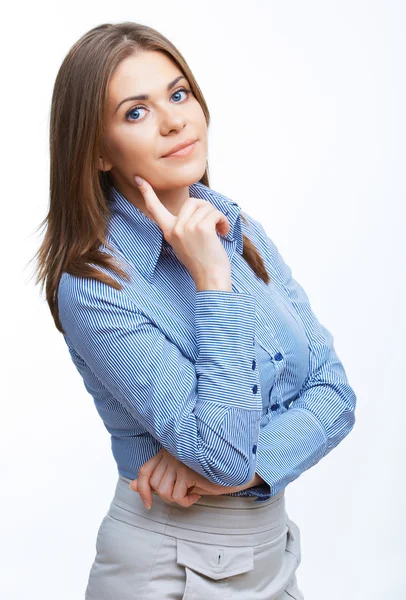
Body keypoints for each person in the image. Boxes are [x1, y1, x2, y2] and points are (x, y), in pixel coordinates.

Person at [33, 21, 357, 599]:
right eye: (136, 111)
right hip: (170, 572)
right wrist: (211, 281)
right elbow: (223, 456)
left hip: (271, 555)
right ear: (98, 150)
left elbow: (336, 399)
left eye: (178, 94)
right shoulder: (95, 287)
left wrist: (250, 467)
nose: (174, 119)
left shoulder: (238, 229)